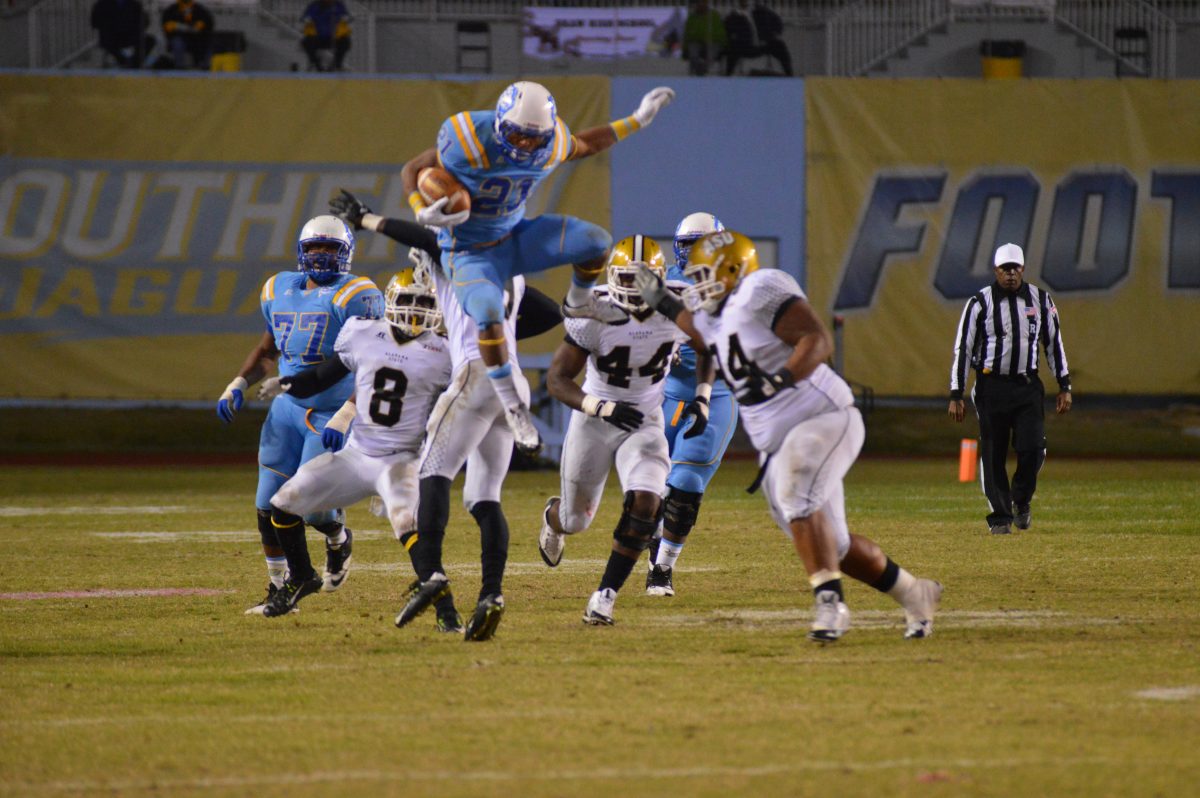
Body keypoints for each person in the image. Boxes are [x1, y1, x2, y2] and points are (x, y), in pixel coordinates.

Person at [634, 230, 942, 641]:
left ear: (732, 270)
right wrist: (662, 299)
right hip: (777, 442)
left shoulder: (761, 287)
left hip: (822, 417)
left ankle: (830, 606)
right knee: (836, 544)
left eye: (705, 273)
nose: (697, 282)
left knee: (798, 497)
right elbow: (698, 329)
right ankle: (914, 592)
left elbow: (816, 339)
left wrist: (779, 379)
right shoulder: (715, 315)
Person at [331, 191, 564, 641]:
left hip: (475, 375)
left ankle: (431, 575)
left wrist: (368, 219)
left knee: (433, 476)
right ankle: (491, 594)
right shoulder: (505, 267)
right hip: (509, 380)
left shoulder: (459, 252)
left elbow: (429, 240)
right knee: (483, 498)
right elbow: (546, 311)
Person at [399, 80, 675, 457]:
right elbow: (414, 167)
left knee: (596, 241)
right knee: (489, 314)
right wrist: (419, 205)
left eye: (534, 138)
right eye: (518, 135)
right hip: (469, 252)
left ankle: (578, 303)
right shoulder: (465, 138)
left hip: (516, 237)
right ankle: (514, 408)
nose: (526, 145)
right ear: (498, 123)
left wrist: (637, 120)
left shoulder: (553, 141)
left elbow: (587, 143)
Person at [251, 264, 451, 617]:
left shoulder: (446, 351)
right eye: (407, 300)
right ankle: (301, 578)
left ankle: (447, 615)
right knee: (282, 502)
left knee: (408, 525)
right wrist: (286, 385)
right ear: (390, 301)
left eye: (424, 303)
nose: (415, 311)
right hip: (358, 454)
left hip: (402, 459)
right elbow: (323, 376)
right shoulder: (363, 333)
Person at [537, 235, 711, 625]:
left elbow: (706, 346)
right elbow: (558, 379)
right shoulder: (591, 309)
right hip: (596, 418)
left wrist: (702, 397)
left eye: (643, 280)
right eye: (626, 279)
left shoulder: (678, 303)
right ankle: (553, 519)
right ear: (611, 278)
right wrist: (600, 405)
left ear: (661, 280)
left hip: (645, 420)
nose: (634, 288)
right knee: (576, 519)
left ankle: (605, 596)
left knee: (647, 504)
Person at [215, 215, 383, 616]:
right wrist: (238, 382)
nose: (321, 256)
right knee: (266, 503)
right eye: (314, 248)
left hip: (331, 412)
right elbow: (270, 349)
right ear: (301, 252)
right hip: (287, 410)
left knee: (311, 510)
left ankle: (338, 538)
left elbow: (375, 365)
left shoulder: (357, 295)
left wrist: (348, 414)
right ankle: (279, 587)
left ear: (346, 254)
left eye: (330, 248)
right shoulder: (278, 288)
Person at [645, 213, 739, 597]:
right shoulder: (659, 280)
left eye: (702, 243)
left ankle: (662, 569)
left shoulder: (739, 283)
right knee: (648, 484)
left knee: (685, 481)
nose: (693, 251)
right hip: (664, 395)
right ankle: (652, 541)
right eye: (687, 243)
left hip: (715, 395)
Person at [949, 242, 1072, 535]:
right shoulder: (979, 303)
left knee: (1034, 448)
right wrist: (956, 392)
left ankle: (1021, 499)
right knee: (993, 452)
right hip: (991, 386)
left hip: (1027, 385)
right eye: (1006, 269)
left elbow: (1054, 344)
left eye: (1016, 268)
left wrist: (1064, 384)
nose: (1011, 274)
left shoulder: (1041, 300)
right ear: (996, 270)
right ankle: (1001, 516)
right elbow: (963, 349)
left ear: (1023, 269)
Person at [90, 0, 154, 68]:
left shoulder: (135, 5)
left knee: (149, 41)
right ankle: (127, 62)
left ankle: (132, 62)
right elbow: (95, 22)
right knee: (110, 44)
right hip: (112, 39)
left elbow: (144, 23)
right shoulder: (102, 4)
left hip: (128, 38)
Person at [160, 0, 213, 70]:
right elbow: (167, 25)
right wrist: (179, 27)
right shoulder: (172, 10)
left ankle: (204, 67)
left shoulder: (200, 9)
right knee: (177, 43)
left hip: (198, 39)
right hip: (180, 38)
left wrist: (198, 26)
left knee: (206, 43)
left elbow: (208, 23)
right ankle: (179, 67)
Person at [300, 0, 351, 72]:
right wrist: (306, 20)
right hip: (317, 37)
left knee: (345, 42)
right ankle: (317, 65)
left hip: (334, 38)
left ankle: (336, 64)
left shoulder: (338, 5)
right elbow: (304, 17)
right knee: (306, 42)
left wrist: (346, 18)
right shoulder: (314, 6)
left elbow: (347, 16)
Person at [683, 0, 726, 76]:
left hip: (713, 42)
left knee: (713, 49)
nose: (701, 5)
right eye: (699, 3)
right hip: (696, 42)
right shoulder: (692, 17)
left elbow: (720, 33)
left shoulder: (714, 16)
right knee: (693, 47)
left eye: (703, 3)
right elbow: (688, 34)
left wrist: (710, 38)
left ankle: (704, 67)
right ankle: (698, 66)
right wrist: (698, 37)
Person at [750, 1, 794, 76]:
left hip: (767, 42)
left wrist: (775, 33)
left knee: (783, 53)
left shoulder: (766, 13)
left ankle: (789, 75)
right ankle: (789, 75)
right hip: (760, 42)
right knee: (783, 53)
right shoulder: (758, 13)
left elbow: (778, 23)